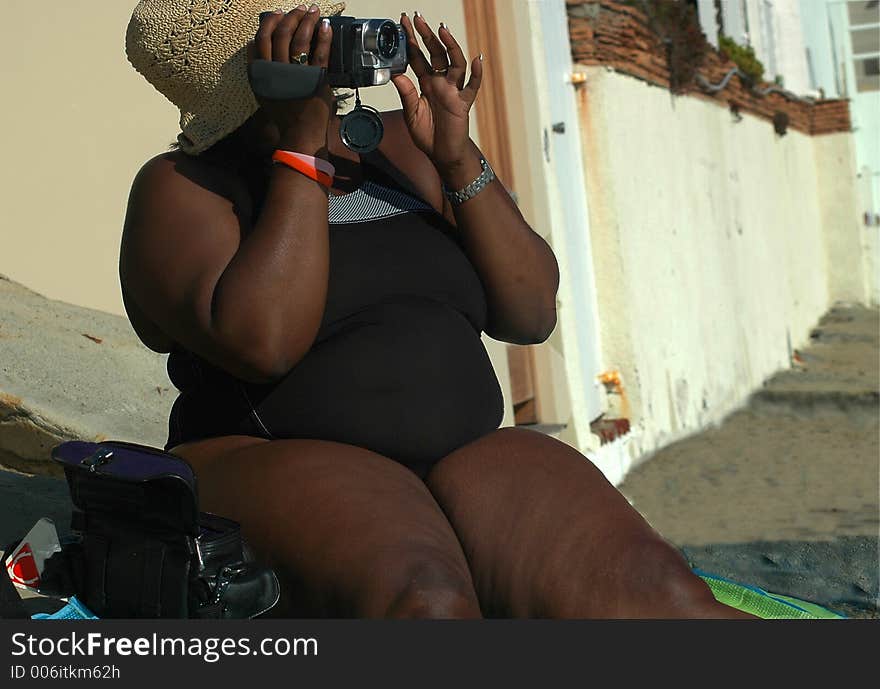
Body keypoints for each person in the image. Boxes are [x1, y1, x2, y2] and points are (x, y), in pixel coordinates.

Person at [120, 0, 753, 619]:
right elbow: (266, 343)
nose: (327, 41)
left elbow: (532, 312)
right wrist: (301, 154)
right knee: (425, 601)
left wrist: (455, 155)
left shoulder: (396, 145)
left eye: (320, 27)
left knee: (662, 597)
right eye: (300, 35)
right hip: (276, 453)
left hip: (467, 454)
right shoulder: (182, 187)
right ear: (255, 69)